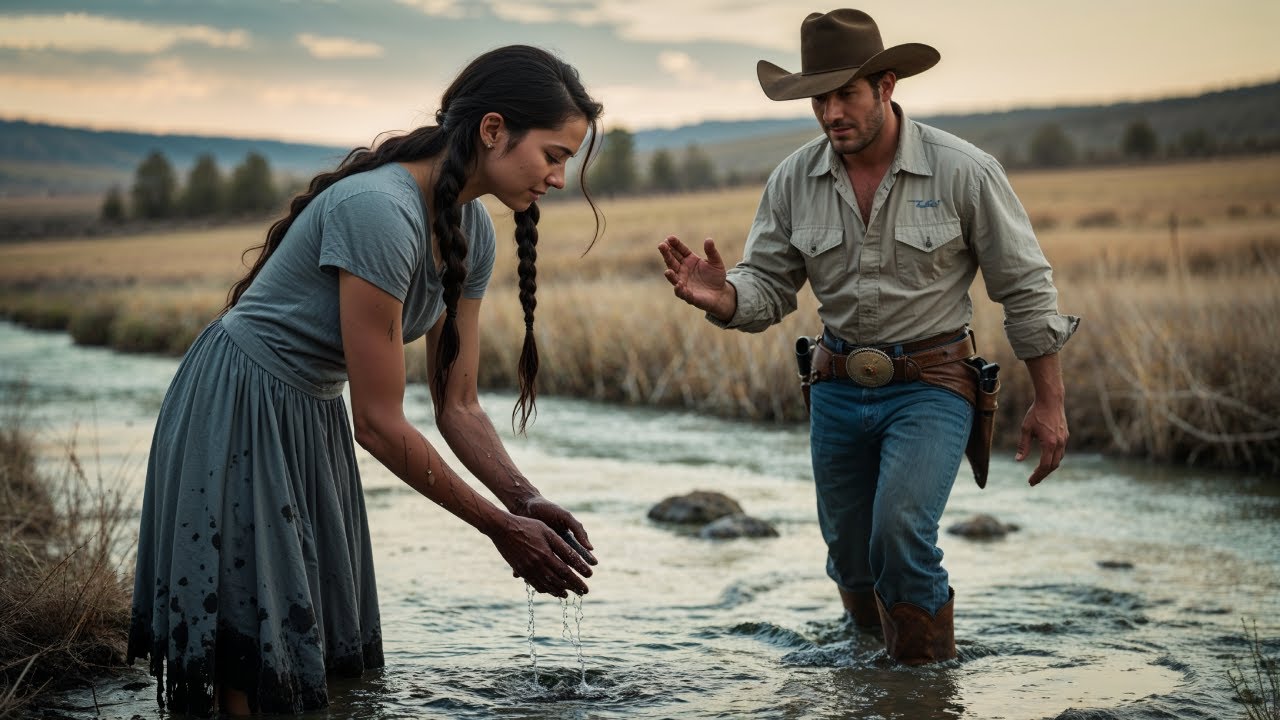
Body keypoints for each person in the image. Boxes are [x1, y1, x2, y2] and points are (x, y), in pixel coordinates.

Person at [127, 45, 603, 715]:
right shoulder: (380, 211)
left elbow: (457, 405)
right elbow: (378, 424)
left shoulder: (473, 232)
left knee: (311, 666)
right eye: (553, 155)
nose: (557, 178)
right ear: (493, 130)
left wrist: (523, 501)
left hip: (309, 413)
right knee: (245, 664)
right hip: (239, 405)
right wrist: (497, 527)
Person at [658, 9, 1079, 665]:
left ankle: (928, 690)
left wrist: (1050, 403)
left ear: (885, 85)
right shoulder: (794, 180)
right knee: (851, 559)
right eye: (819, 99)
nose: (831, 113)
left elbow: (1025, 289)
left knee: (900, 533)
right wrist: (727, 297)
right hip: (834, 387)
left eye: (845, 94)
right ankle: (871, 685)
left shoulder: (964, 171)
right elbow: (767, 285)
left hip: (934, 387)